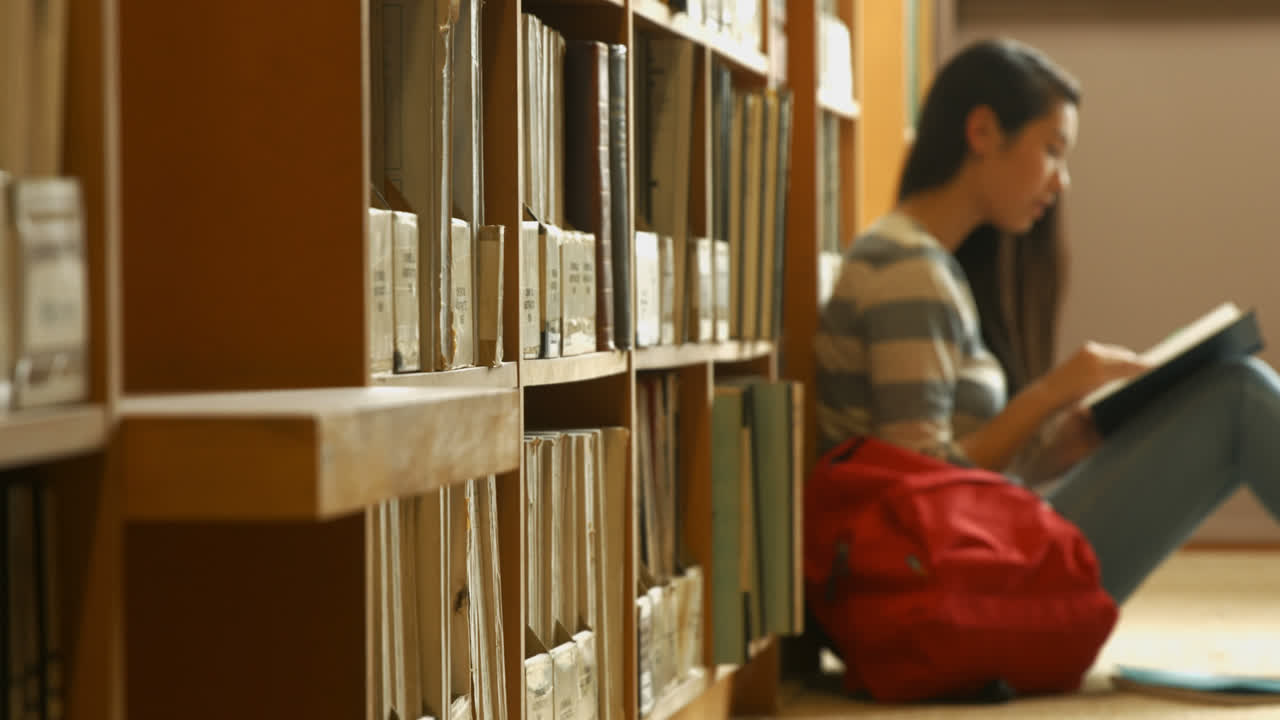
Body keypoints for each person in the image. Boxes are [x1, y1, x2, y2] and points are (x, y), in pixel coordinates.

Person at [814, 37, 1280, 605]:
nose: (1061, 182)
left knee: (1229, 391)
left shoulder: (923, 262)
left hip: (961, 568)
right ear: (982, 132)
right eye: (1053, 150)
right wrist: (1050, 392)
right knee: (1237, 396)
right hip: (952, 589)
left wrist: (1060, 443)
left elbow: (955, 469)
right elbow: (920, 489)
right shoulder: (906, 270)